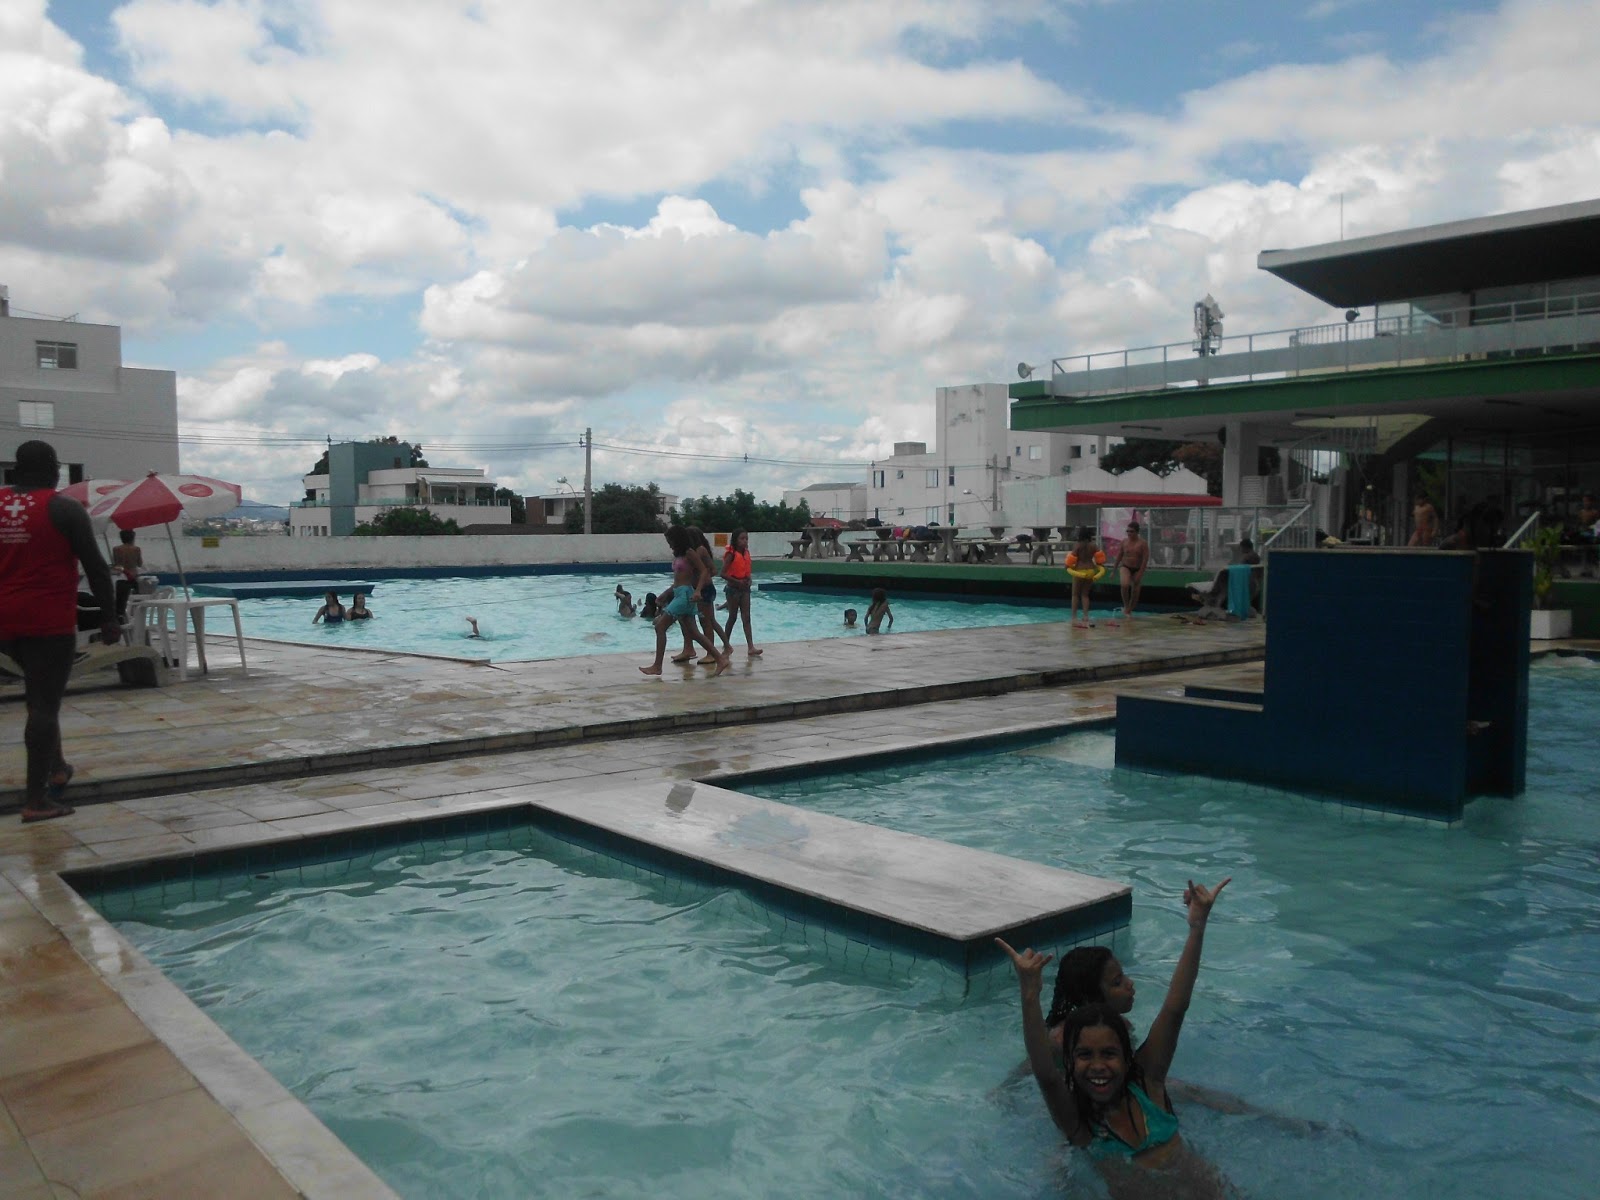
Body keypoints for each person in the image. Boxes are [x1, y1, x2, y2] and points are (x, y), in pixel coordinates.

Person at [997, 878, 1232, 1196]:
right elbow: (1046, 1075)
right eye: (1084, 1055)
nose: (1097, 1065)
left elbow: (1175, 1008)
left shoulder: (1149, 1085)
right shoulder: (1079, 1125)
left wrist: (1197, 928)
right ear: (1070, 1060)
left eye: (1108, 1053)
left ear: (1126, 1056)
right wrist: (1029, 994)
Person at [1, 441, 121, 823]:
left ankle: (57, 767)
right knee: (43, 705)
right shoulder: (64, 508)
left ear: (16, 470)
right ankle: (36, 800)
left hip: (4, 621)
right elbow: (96, 568)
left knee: (37, 697)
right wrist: (110, 617)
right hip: (46, 621)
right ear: (53, 470)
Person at [641, 526, 729, 677]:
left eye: (670, 540)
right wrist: (666, 593)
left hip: (685, 595)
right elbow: (678, 579)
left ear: (678, 539)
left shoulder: (690, 552)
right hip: (679, 593)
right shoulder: (680, 554)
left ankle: (657, 666)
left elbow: (704, 570)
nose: (669, 544)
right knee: (694, 632)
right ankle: (720, 659)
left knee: (660, 626)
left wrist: (698, 590)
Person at [717, 528, 762, 656]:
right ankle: (726, 645)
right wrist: (737, 582)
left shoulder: (746, 553)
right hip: (733, 589)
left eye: (746, 538)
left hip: (745, 588)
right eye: (742, 538)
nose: (745, 541)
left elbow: (746, 570)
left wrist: (749, 579)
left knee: (746, 617)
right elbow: (723, 574)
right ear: (735, 540)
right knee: (732, 617)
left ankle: (751, 647)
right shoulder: (731, 554)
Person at [1065, 528, 1106, 630]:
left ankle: (1074, 616)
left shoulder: (1078, 545)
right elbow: (1100, 559)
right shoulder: (1093, 545)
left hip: (1079, 571)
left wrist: (1067, 566)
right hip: (1091, 571)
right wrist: (1099, 567)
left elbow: (1071, 558)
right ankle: (1086, 616)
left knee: (1075, 594)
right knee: (1085, 594)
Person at [1114, 521, 1149, 623]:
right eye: (1128, 531)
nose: (1129, 533)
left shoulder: (1142, 543)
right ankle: (1126, 606)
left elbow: (1145, 559)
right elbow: (1119, 556)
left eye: (1131, 531)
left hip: (1137, 568)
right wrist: (1114, 570)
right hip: (1125, 566)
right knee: (1124, 585)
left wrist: (1140, 573)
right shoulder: (1124, 542)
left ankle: (1129, 609)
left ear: (1137, 532)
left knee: (1135, 591)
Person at [110, 528, 142, 618]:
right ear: (132, 538)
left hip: (121, 577)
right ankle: (134, 614)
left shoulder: (116, 549)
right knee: (137, 598)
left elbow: (116, 564)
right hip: (133, 577)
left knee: (120, 602)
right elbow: (140, 564)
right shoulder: (136, 549)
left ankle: (120, 616)